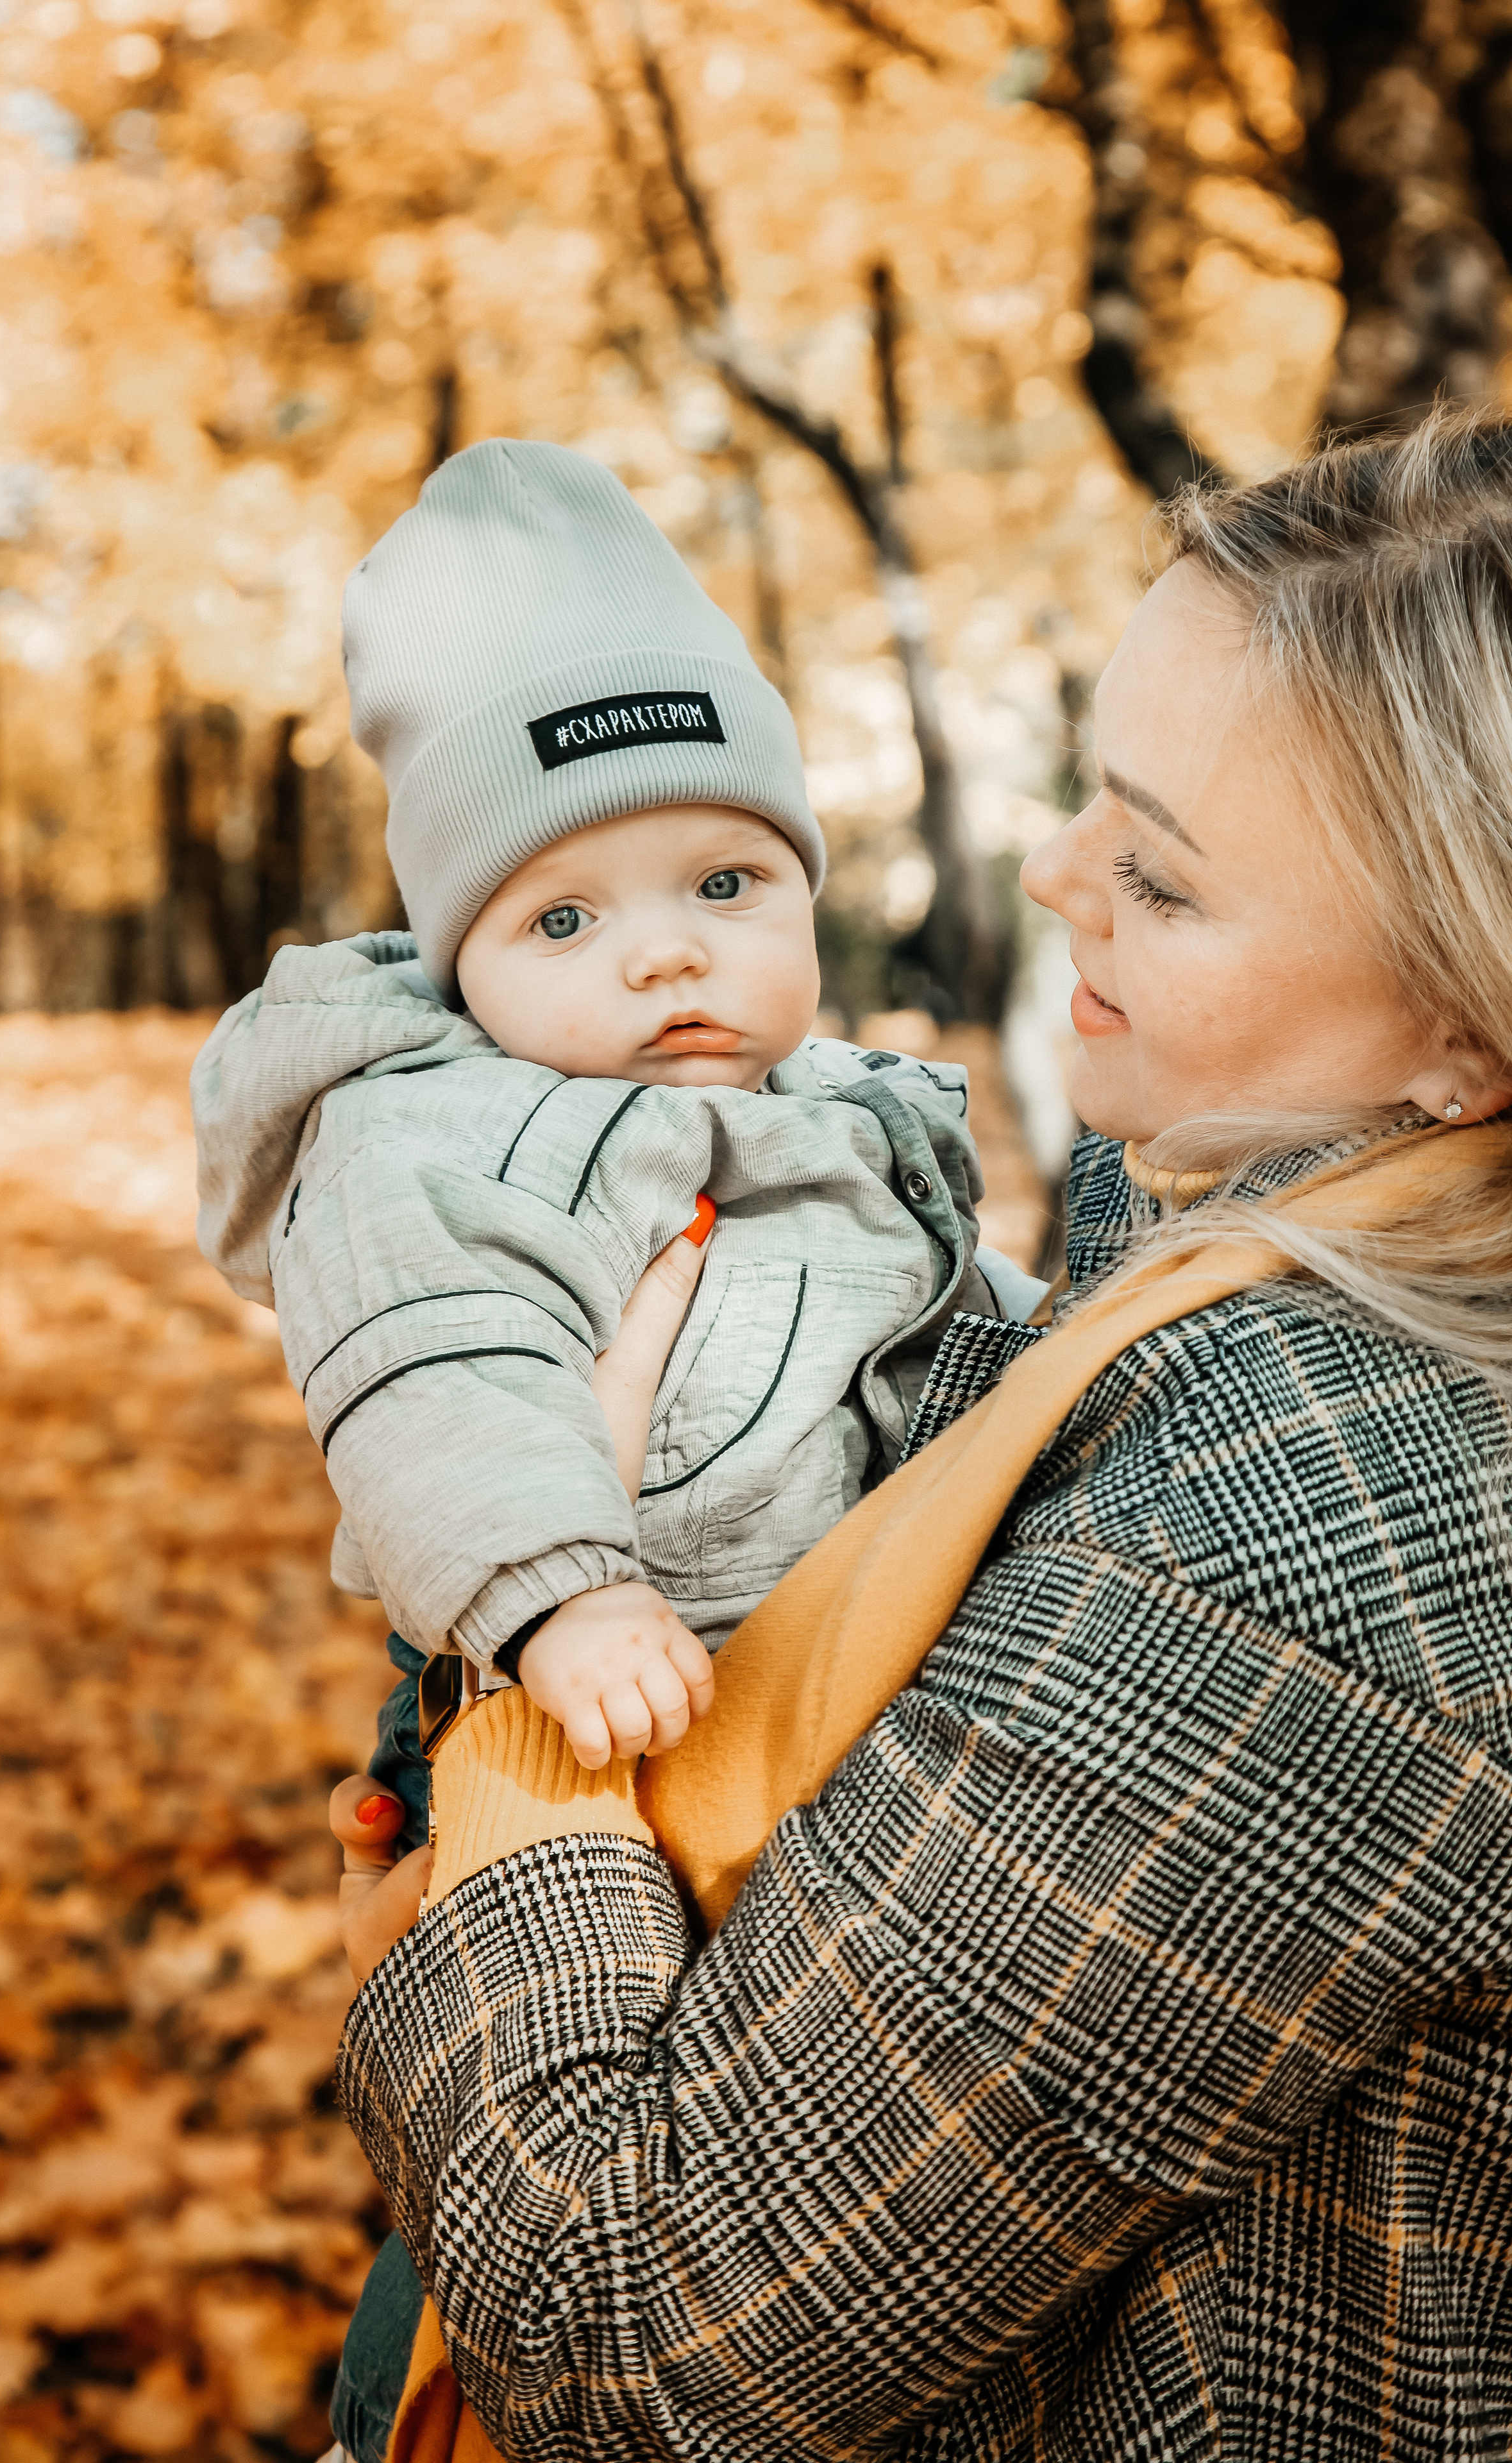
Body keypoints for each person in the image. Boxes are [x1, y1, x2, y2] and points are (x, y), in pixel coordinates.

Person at [326, 412, 1512, 2463]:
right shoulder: (1223, 1214)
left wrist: (509, 1708)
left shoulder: (1332, 1535)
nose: (1051, 872)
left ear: (1464, 1033)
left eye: (1158, 866)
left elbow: (635, 2335)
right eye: (1084, 790)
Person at [190, 436, 1039, 2463]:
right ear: (462, 959)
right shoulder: (435, 1137)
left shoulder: (857, 1111)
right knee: (549, 2159)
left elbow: (957, 1331)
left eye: (724, 886)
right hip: (580, 1684)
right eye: (563, 917)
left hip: (800, 1721)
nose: (664, 956)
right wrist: (558, 1592)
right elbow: (440, 1376)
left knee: (794, 2202)